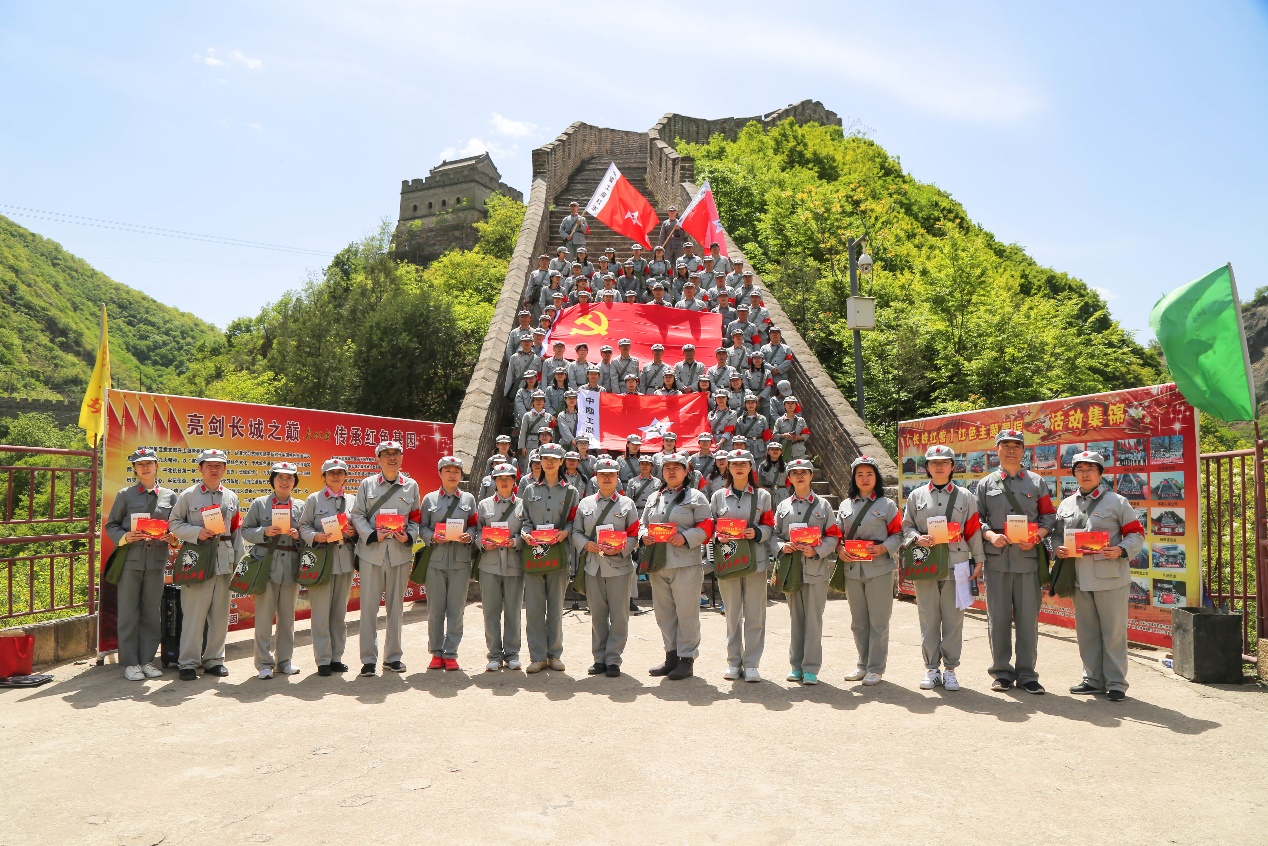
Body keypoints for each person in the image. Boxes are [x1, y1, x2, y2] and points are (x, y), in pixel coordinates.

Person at [1055, 450, 1145, 702]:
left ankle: (1116, 682)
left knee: (1113, 632)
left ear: (1100, 473)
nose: (1085, 474)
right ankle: (1093, 679)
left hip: (1110, 578)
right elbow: (1056, 536)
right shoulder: (1066, 504)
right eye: (1080, 469)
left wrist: (1120, 549)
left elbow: (1136, 533)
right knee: (1087, 632)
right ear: (1073, 474)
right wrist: (1058, 549)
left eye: (1091, 469)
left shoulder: (1117, 501)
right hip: (1079, 578)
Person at [976, 429, 1058, 694]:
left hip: (1027, 559)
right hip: (997, 560)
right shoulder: (986, 484)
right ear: (996, 450)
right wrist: (989, 534)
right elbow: (976, 519)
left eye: (1016, 445)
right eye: (1006, 445)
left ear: (1024, 451)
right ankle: (1001, 672)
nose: (1011, 450)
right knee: (997, 619)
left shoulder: (1037, 483)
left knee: (1027, 619)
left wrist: (1037, 537)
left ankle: (1027, 674)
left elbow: (1049, 517)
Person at [902, 445, 986, 692]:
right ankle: (931, 669)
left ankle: (950, 669)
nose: (939, 466)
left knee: (953, 620)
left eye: (944, 462)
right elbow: (906, 527)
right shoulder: (916, 496)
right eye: (934, 462)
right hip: (924, 562)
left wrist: (978, 559)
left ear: (952, 466)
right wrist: (917, 538)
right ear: (927, 467)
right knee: (928, 618)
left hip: (956, 563)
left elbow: (972, 530)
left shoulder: (965, 497)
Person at [168, 449, 244, 681]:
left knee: (220, 615)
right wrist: (197, 532)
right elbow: (174, 523)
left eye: (219, 465)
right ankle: (188, 663)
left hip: (224, 560)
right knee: (194, 614)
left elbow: (236, 532)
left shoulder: (231, 497)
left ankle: (214, 660)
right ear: (200, 468)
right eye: (209, 465)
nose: (214, 469)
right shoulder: (188, 496)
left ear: (224, 469)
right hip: (198, 560)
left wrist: (239, 566)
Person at [103, 447, 177, 681]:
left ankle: (146, 660)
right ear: (134, 469)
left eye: (149, 463)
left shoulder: (169, 496)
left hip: (156, 561)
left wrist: (173, 539)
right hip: (130, 561)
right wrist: (125, 537)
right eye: (140, 464)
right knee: (128, 612)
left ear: (157, 466)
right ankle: (130, 663)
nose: (145, 467)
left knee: (150, 612)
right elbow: (112, 525)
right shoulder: (125, 495)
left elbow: (175, 528)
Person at [639, 453, 714, 680]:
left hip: (685, 563)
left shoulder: (696, 496)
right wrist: (644, 536)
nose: (671, 471)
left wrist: (687, 537)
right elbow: (643, 524)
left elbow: (707, 526)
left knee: (686, 613)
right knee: (664, 613)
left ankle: (686, 659)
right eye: (667, 467)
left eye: (677, 467)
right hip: (659, 562)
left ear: (686, 471)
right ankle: (671, 656)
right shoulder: (654, 497)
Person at [352, 440, 422, 676]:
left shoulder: (411, 486)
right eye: (386, 454)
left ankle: (393, 658)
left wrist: (408, 536)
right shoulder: (366, 484)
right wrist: (371, 534)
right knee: (369, 608)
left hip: (399, 554)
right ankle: (368, 660)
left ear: (402, 458)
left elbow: (415, 518)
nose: (391, 458)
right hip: (372, 553)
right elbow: (357, 515)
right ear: (378, 459)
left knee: (395, 608)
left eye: (396, 454)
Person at [770, 458, 841, 684]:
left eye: (804, 472)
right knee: (796, 619)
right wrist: (782, 547)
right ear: (788, 478)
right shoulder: (783, 506)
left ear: (811, 476)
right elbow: (774, 535)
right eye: (795, 472)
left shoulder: (823, 506)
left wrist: (817, 550)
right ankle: (796, 666)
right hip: (792, 570)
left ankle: (811, 668)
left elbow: (833, 535)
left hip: (815, 570)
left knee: (813, 620)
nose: (799, 476)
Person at [837, 456, 903, 685]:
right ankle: (862, 665)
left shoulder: (887, 505)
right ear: (854, 478)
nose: (864, 479)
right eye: (860, 474)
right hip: (853, 569)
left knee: (879, 621)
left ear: (877, 477)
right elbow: (837, 535)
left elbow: (899, 534)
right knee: (858, 622)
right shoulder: (845, 505)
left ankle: (876, 667)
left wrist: (884, 547)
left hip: (879, 569)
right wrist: (839, 549)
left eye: (869, 474)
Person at [710, 450, 775, 682]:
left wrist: (756, 532)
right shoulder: (718, 496)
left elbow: (770, 526)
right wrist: (719, 536)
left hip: (755, 561)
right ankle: (733, 662)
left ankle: (752, 664)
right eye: (734, 464)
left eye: (743, 464)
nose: (738, 467)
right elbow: (712, 526)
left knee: (755, 613)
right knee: (732, 614)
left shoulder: (762, 496)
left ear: (751, 467)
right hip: (728, 560)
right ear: (728, 467)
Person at [572, 457, 640, 677]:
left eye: (611, 474)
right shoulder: (585, 504)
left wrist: (620, 549)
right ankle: (599, 658)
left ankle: (613, 660)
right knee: (597, 615)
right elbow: (576, 532)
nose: (607, 478)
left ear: (617, 477)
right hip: (594, 566)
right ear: (596, 478)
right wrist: (586, 545)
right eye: (603, 475)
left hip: (619, 567)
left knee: (619, 616)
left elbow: (634, 535)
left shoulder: (627, 504)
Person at [516, 443, 577, 673]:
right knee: (533, 607)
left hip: (557, 552)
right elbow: (525, 520)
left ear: (562, 462)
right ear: (539, 461)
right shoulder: (529, 490)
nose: (549, 462)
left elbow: (573, 519)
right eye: (545, 458)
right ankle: (537, 656)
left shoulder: (571, 491)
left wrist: (566, 531)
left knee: (555, 607)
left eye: (554, 458)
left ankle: (554, 655)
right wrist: (524, 533)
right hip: (533, 553)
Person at [241, 461, 305, 679]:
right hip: (266, 564)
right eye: (280, 477)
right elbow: (246, 531)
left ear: (295, 482)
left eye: (289, 478)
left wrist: (299, 536)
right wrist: (265, 531)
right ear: (273, 480)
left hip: (291, 565)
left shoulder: (301, 506)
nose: (285, 481)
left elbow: (308, 534)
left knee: (287, 618)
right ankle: (264, 663)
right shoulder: (260, 504)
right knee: (264, 617)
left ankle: (285, 660)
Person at [298, 458, 359, 676]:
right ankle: (322, 660)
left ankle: (336, 658)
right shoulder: (314, 500)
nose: (335, 476)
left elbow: (359, 524)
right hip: (322, 561)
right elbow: (303, 526)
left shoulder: (353, 500)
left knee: (339, 614)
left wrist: (354, 532)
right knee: (321, 614)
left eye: (339, 473)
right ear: (323, 477)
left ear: (345, 476)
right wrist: (316, 536)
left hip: (345, 561)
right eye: (330, 473)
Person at [417, 456, 478, 671]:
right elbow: (421, 527)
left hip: (460, 562)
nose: (452, 475)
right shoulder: (429, 499)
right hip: (436, 561)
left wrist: (468, 536)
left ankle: (451, 653)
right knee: (435, 610)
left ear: (461, 475)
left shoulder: (469, 499)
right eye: (448, 471)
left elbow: (474, 526)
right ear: (440, 474)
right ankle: (436, 652)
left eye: (456, 471)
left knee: (456, 610)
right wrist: (433, 536)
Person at [473, 464, 524, 671]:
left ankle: (512, 653)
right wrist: (484, 543)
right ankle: (494, 654)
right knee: (491, 611)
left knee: (513, 610)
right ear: (494, 481)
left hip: (514, 563)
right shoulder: (484, 505)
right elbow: (477, 532)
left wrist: (516, 541)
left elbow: (527, 530)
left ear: (514, 481)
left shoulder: (523, 505)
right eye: (499, 478)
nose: (504, 482)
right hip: (490, 565)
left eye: (508, 478)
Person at [518, 391, 555, 470]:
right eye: (536, 400)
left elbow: (552, 433)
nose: (538, 402)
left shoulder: (549, 416)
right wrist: (522, 447)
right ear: (532, 402)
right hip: (530, 444)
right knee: (529, 465)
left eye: (541, 400)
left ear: (544, 402)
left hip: (545, 444)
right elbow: (523, 431)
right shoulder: (527, 415)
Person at [505, 334, 542, 398]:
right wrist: (506, 392)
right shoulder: (514, 357)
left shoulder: (537, 359)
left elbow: (539, 376)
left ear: (532, 343)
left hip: (532, 389)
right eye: (524, 341)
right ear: (521, 343)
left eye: (529, 341)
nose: (526, 343)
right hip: (518, 387)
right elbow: (510, 375)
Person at [758, 441, 790, 510]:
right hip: (768, 494)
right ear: (768, 452)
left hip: (782, 496)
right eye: (772, 449)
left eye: (777, 449)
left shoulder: (786, 466)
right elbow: (760, 482)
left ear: (781, 452)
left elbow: (788, 483)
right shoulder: (763, 466)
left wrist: (783, 491)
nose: (775, 451)